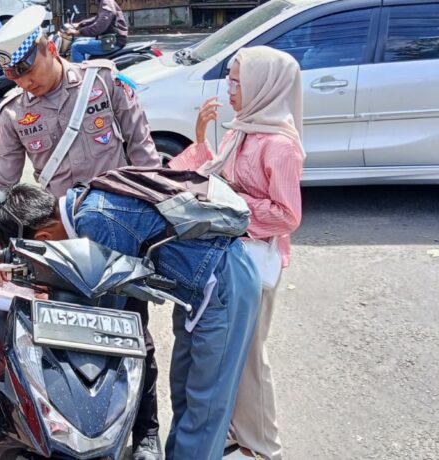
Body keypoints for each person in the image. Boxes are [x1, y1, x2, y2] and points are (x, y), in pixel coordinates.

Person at [0, 6, 163, 459]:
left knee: (133, 335)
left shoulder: (105, 84)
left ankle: (147, 431)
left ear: (46, 47)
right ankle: (77, 432)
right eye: (13, 75)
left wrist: (155, 232)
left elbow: (147, 161)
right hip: (64, 241)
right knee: (70, 336)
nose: (24, 82)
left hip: (122, 237)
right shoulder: (14, 112)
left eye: (27, 68)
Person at [0, 182, 261, 460]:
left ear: (44, 236)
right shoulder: (80, 201)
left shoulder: (96, 222)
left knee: (206, 405)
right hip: (198, 286)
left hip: (223, 284)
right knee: (185, 393)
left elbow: (103, 313)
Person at [177, 46, 304, 460]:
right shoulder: (244, 129)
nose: (230, 89)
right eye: (231, 79)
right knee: (228, 353)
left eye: (238, 81)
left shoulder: (279, 145)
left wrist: (230, 206)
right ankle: (235, 433)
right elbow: (215, 176)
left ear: (263, 86)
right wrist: (199, 139)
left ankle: (264, 446)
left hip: (255, 261)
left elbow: (286, 216)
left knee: (249, 357)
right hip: (231, 257)